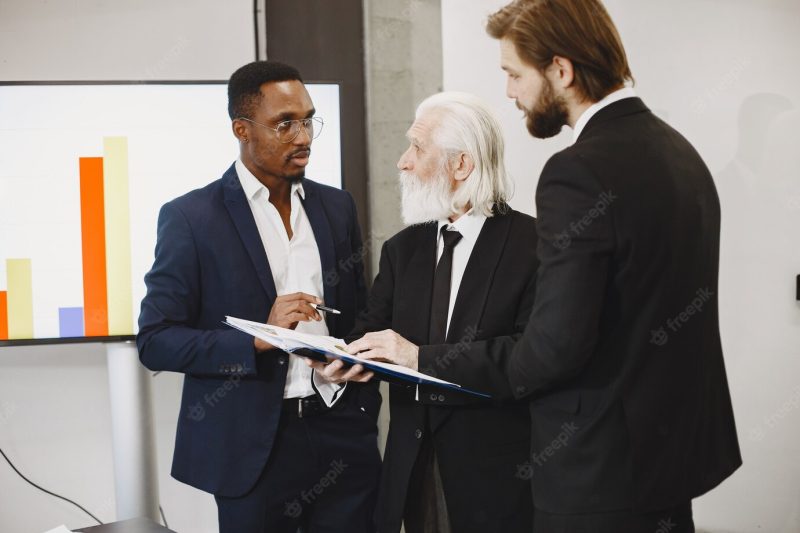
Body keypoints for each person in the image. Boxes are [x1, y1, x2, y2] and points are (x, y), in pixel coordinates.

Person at [484, 1, 742, 532]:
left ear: (561, 70)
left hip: (598, 477)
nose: (509, 92)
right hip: (672, 465)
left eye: (513, 74)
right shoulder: (680, 152)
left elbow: (556, 347)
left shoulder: (576, 172)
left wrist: (445, 363)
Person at [137, 60, 381, 533]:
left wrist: (356, 358)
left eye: (309, 120)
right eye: (284, 124)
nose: (303, 137)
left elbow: (358, 314)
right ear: (241, 129)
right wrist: (256, 340)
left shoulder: (337, 206)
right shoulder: (191, 218)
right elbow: (156, 340)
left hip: (342, 433)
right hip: (253, 448)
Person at [312, 92, 538, 533]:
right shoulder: (404, 249)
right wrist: (333, 358)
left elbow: (526, 357)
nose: (403, 162)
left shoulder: (533, 246)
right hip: (412, 471)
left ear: (461, 166)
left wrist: (418, 358)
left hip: (497, 480)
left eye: (417, 148)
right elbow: (370, 332)